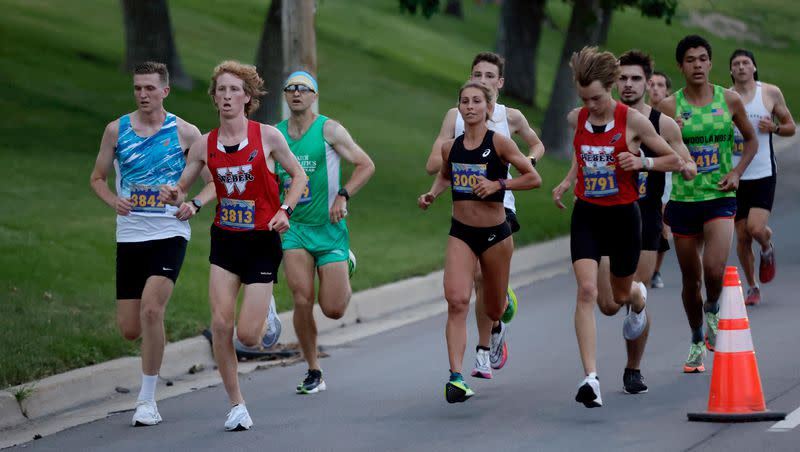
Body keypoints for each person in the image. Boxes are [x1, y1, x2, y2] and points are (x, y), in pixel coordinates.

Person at [161, 61, 307, 431]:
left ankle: (268, 312)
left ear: (247, 98)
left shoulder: (268, 137)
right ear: (214, 98)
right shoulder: (203, 144)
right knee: (221, 324)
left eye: (233, 90)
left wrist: (286, 209)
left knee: (248, 336)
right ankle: (236, 404)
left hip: (262, 240)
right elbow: (183, 186)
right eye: (220, 90)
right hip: (225, 240)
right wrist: (175, 194)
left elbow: (299, 175)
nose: (226, 96)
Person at [552, 47, 682, 407]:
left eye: (596, 97)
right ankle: (590, 379)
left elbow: (674, 158)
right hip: (588, 215)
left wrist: (642, 161)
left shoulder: (633, 121)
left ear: (609, 87)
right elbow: (585, 153)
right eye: (584, 98)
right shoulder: (576, 118)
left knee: (619, 299)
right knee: (588, 293)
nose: (591, 105)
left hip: (625, 217)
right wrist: (567, 181)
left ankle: (638, 298)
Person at [89, 62, 202, 427]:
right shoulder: (115, 131)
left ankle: (147, 400)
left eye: (150, 88)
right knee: (130, 328)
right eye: (138, 88)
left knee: (152, 310)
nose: (143, 94)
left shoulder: (185, 132)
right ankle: (147, 383)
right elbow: (97, 178)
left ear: (165, 91)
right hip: (131, 234)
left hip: (169, 233)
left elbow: (212, 180)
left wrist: (191, 203)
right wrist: (113, 201)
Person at [419, 81, 541, 403]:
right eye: (464, 101)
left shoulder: (500, 143)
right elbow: (446, 174)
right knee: (457, 300)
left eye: (476, 101)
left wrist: (498, 184)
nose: (470, 106)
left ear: (488, 108)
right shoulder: (451, 147)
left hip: (495, 234)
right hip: (461, 232)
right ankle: (456, 377)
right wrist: (432, 194)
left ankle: (503, 309)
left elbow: (533, 177)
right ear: (459, 107)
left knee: (492, 306)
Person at [595, 50, 697, 394]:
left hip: (644, 217)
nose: (628, 84)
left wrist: (648, 164)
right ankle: (638, 301)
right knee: (610, 304)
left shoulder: (662, 123)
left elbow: (685, 162)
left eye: (635, 78)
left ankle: (633, 368)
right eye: (622, 78)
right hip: (607, 216)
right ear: (613, 81)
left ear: (647, 82)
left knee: (628, 291)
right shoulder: (602, 117)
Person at [657, 35, 757, 373]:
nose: (697, 65)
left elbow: (752, 139)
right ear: (680, 66)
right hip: (683, 201)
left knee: (714, 269)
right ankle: (697, 337)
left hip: (719, 197)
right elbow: (650, 150)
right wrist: (673, 136)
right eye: (690, 60)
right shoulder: (669, 107)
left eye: (703, 59)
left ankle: (713, 308)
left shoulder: (728, 100)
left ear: (711, 64)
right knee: (690, 280)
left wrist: (738, 171)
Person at [274, 71, 375, 394]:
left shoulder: (329, 129)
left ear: (314, 96)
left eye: (304, 89)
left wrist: (343, 195)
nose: (297, 94)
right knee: (301, 299)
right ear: (285, 96)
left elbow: (366, 164)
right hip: (295, 229)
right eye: (291, 89)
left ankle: (346, 263)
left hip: (329, 228)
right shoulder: (275, 134)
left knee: (333, 309)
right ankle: (313, 369)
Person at [729, 49, 796, 305]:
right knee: (742, 236)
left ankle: (767, 248)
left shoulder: (769, 93)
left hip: (763, 172)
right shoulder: (725, 97)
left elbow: (790, 127)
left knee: (755, 228)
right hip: (736, 174)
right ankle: (753, 286)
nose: (742, 67)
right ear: (731, 71)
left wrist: (775, 128)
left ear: (754, 68)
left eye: (746, 63)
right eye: (736, 64)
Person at [647, 71, 674, 289]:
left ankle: (655, 271)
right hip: (637, 177)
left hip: (664, 176)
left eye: (660, 85)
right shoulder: (635, 114)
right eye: (652, 84)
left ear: (667, 91)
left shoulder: (673, 119)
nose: (655, 88)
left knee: (663, 226)